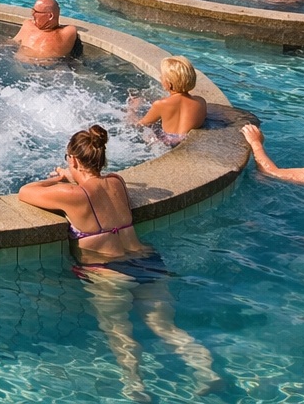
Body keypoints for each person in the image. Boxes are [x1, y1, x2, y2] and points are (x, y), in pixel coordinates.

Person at [19, 126, 219, 401]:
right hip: (147, 261)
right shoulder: (117, 182)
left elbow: (24, 192)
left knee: (120, 332)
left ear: (74, 160)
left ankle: (135, 387)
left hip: (107, 270)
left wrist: (60, 179)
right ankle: (206, 372)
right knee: (168, 329)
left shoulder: (74, 196)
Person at [131, 56, 208, 143]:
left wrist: (132, 109)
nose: (160, 77)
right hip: (186, 142)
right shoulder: (201, 102)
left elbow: (141, 124)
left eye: (162, 76)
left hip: (165, 143)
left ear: (169, 83)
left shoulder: (161, 104)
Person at [13, 0, 80, 60]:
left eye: (35, 12)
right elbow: (12, 43)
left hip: (48, 69)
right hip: (18, 64)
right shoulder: (28, 26)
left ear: (50, 16)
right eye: (32, 10)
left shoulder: (66, 32)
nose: (32, 14)